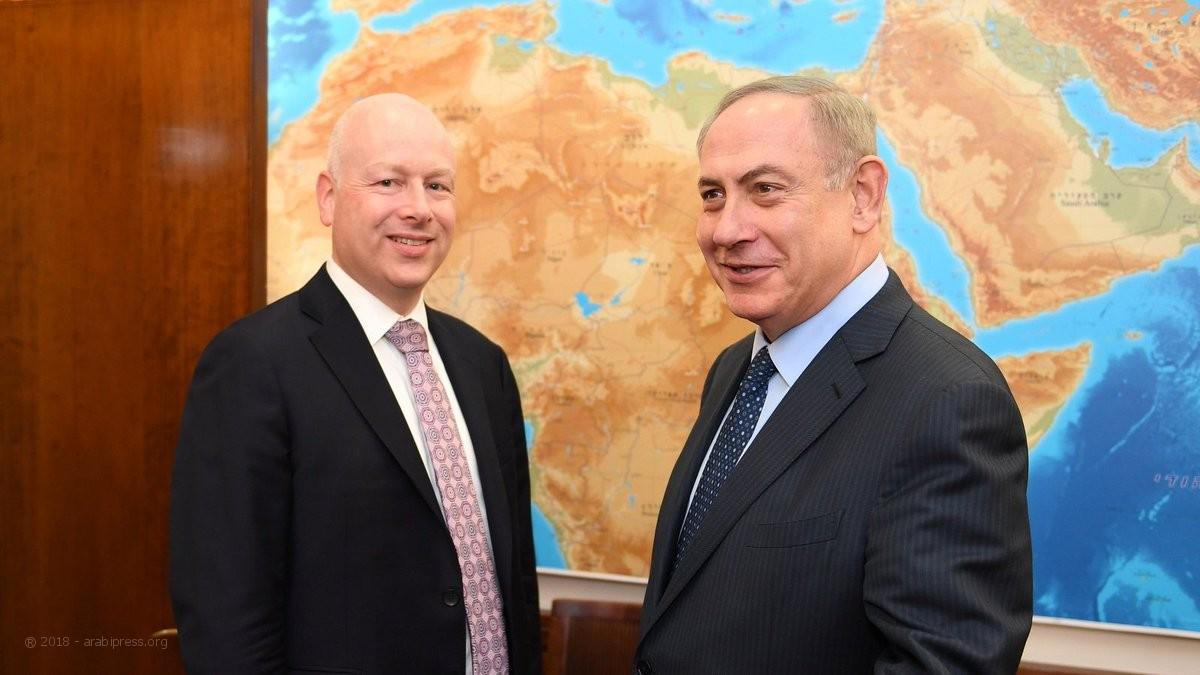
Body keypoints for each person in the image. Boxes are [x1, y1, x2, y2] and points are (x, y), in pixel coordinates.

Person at [635, 76, 1032, 674]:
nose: (726, 230)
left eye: (766, 190)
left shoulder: (947, 400)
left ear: (863, 196)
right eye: (713, 194)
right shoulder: (735, 370)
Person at [170, 93, 540, 675]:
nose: (418, 209)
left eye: (437, 186)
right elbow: (227, 620)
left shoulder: (483, 365)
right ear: (329, 197)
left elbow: (513, 579)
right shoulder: (252, 364)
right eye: (389, 182)